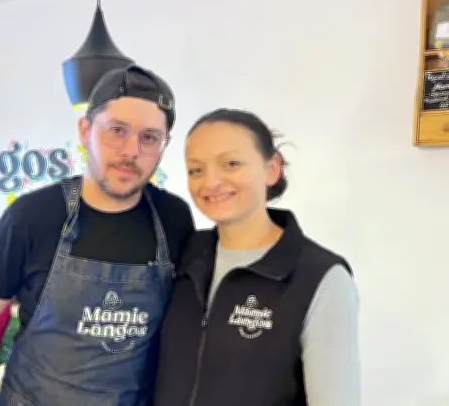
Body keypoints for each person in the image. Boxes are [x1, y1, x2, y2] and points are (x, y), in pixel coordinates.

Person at [0, 64, 195, 406]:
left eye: (149, 137)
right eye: (117, 130)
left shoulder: (174, 219)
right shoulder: (32, 216)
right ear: (85, 130)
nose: (131, 151)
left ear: (164, 144)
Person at [153, 109, 361, 405]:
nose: (210, 182)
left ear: (272, 168)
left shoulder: (321, 278)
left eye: (231, 164)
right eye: (196, 169)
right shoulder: (184, 256)